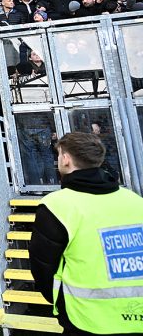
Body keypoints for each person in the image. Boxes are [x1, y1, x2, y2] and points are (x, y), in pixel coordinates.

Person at [29, 132, 143, 336]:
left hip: (85, 321)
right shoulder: (136, 201)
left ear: (65, 159)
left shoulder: (56, 206)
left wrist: (62, 304)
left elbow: (43, 269)